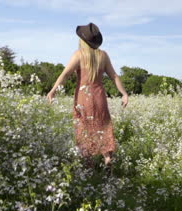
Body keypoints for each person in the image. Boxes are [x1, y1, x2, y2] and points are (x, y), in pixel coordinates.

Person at [46, 22, 128, 169]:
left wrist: (53, 91)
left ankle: (88, 168)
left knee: (84, 130)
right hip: (99, 97)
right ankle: (108, 158)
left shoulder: (79, 55)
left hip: (83, 97)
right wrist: (124, 94)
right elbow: (114, 76)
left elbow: (65, 75)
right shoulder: (103, 55)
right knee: (103, 128)